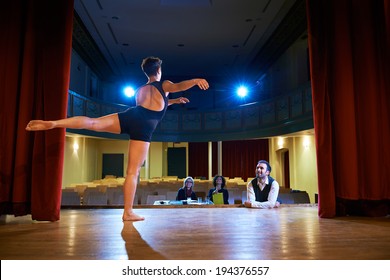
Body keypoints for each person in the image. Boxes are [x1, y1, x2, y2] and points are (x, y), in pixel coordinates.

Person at [25, 56, 209, 221]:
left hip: (131, 116)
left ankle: (54, 124)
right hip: (144, 128)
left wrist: (174, 101)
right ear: (159, 71)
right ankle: (128, 212)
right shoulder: (164, 84)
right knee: (132, 172)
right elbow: (178, 87)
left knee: (92, 123)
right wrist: (195, 80)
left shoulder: (140, 90)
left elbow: (153, 105)